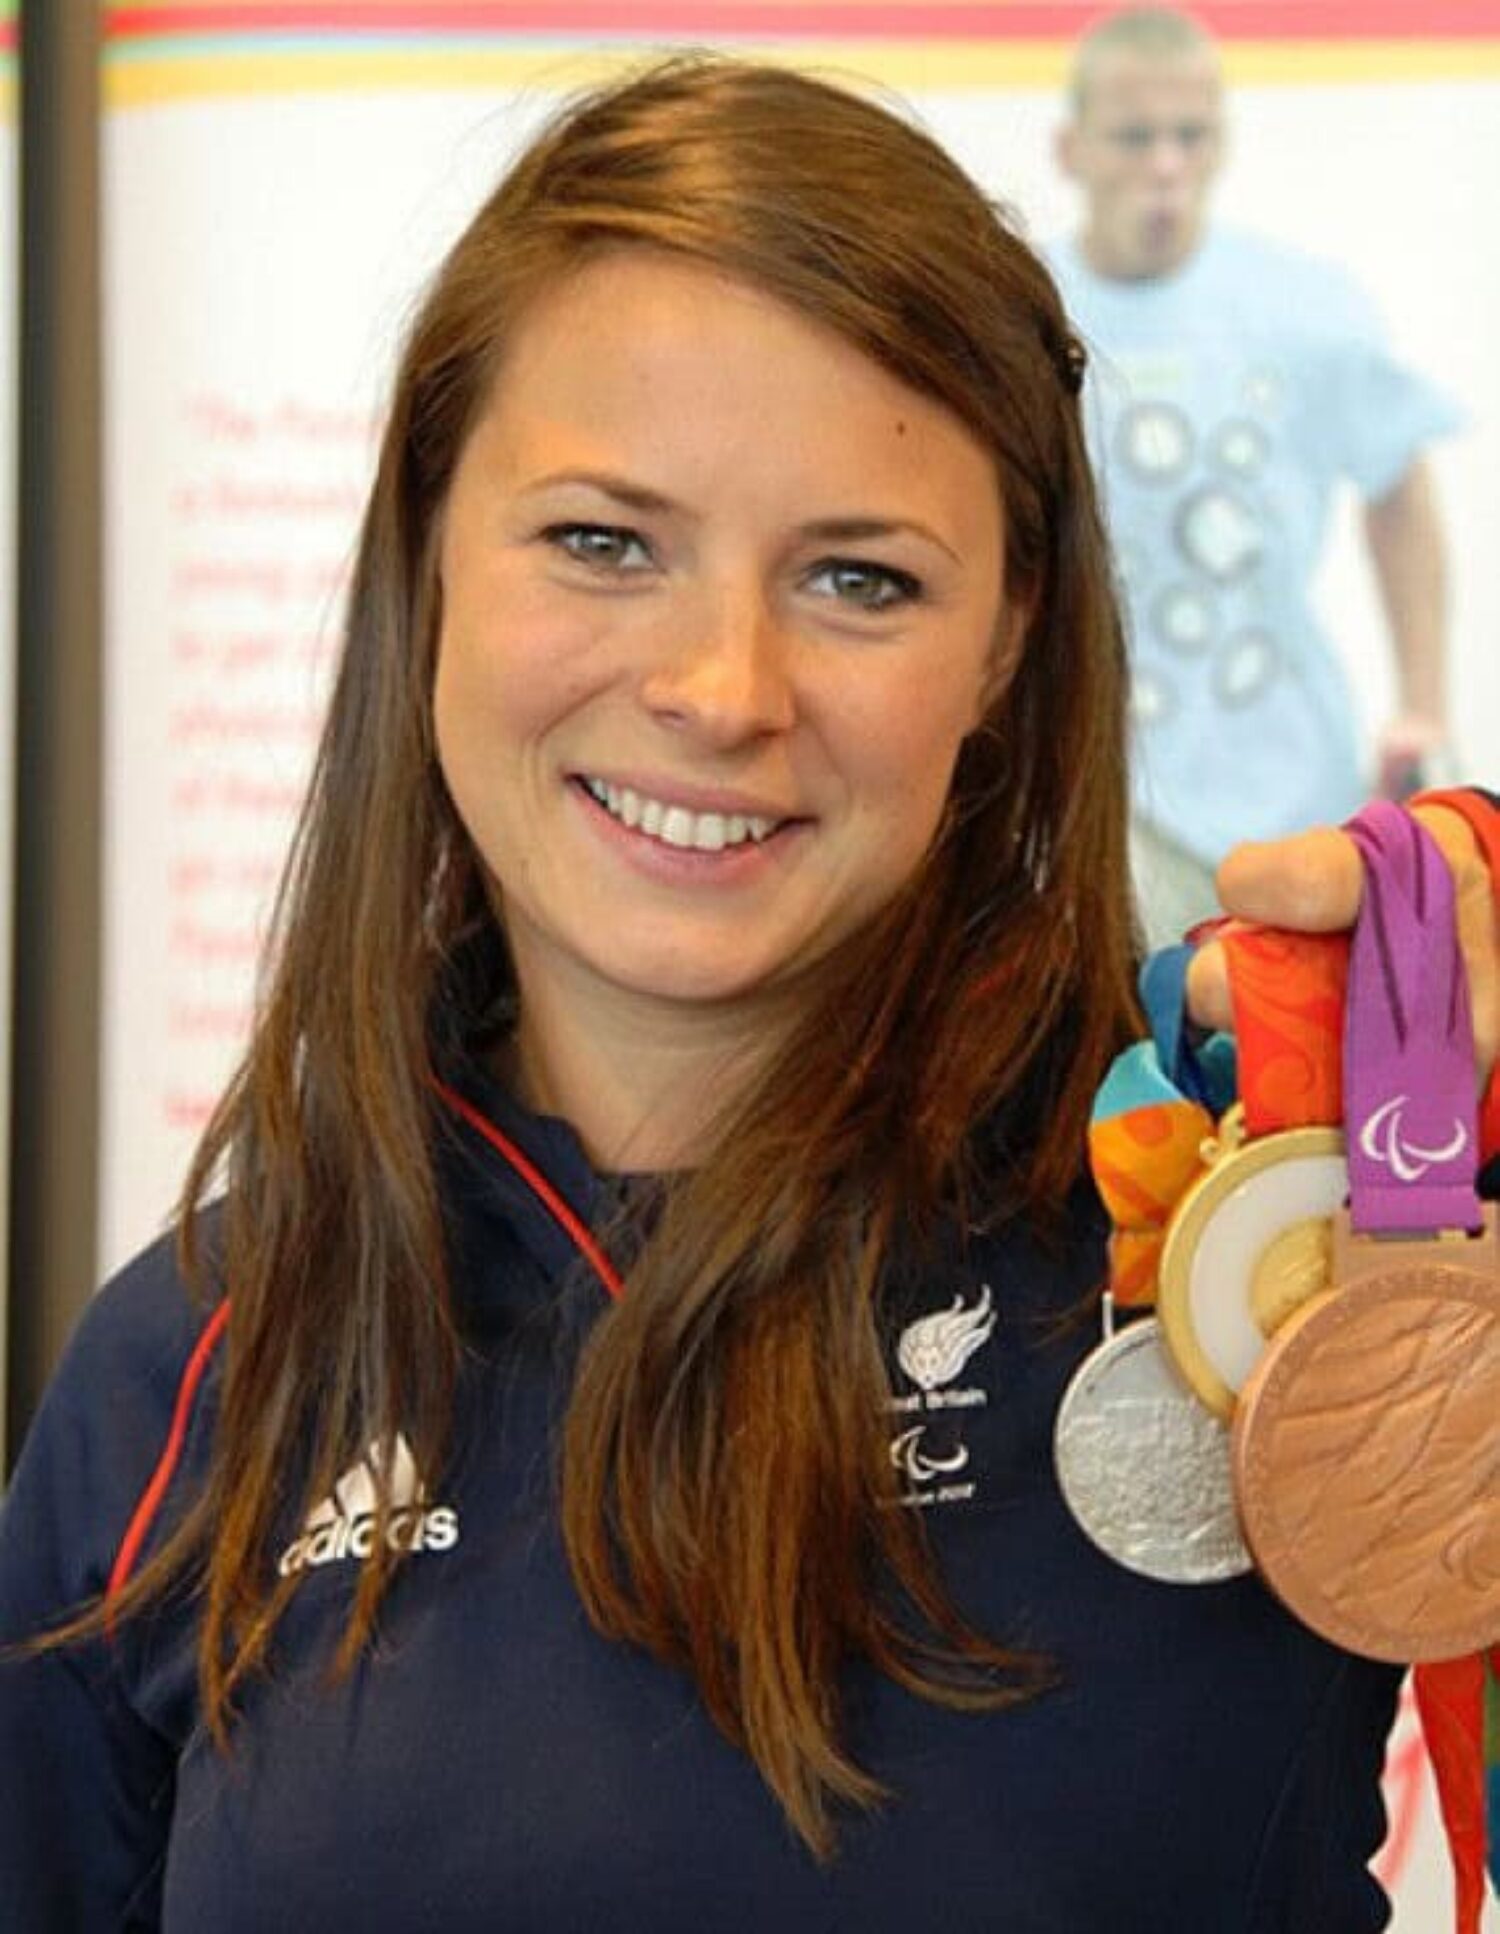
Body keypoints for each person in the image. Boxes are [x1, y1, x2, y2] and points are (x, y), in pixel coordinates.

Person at [0, 54, 1493, 1933]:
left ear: (1008, 641)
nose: (723, 686)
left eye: (860, 579)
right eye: (604, 541)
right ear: (424, 555)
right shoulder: (194, 1371)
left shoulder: (1263, 1231)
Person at [1047, 5, 1461, 946]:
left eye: (1190, 135)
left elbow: (1398, 481)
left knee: (1290, 1073)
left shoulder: (1303, 307)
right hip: (1102, 794)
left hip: (1289, 780)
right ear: (1071, 149)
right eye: (1134, 137)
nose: (1165, 164)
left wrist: (1422, 699)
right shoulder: (1023, 308)